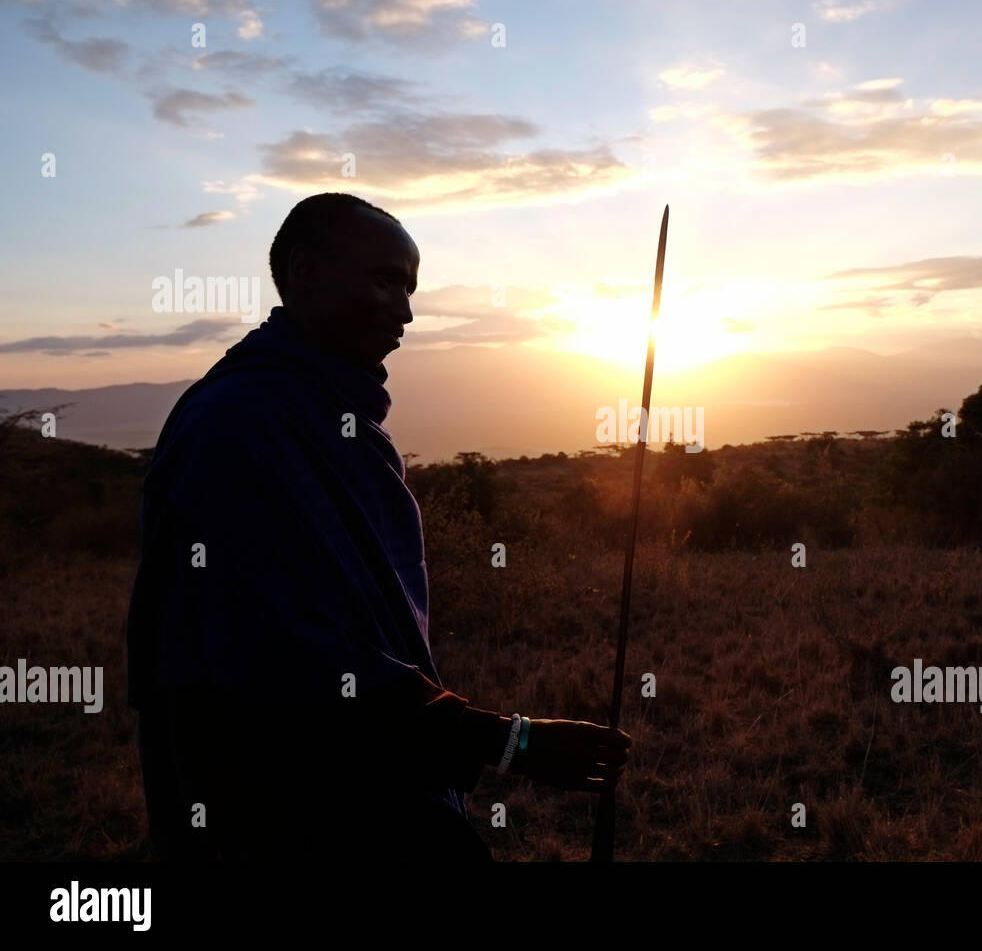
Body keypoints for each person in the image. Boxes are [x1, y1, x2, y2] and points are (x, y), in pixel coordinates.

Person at [125, 192, 630, 860]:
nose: (407, 310)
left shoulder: (340, 417)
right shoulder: (237, 422)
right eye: (385, 279)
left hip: (376, 789)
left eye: (411, 286)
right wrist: (503, 740)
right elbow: (272, 654)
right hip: (283, 814)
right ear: (304, 272)